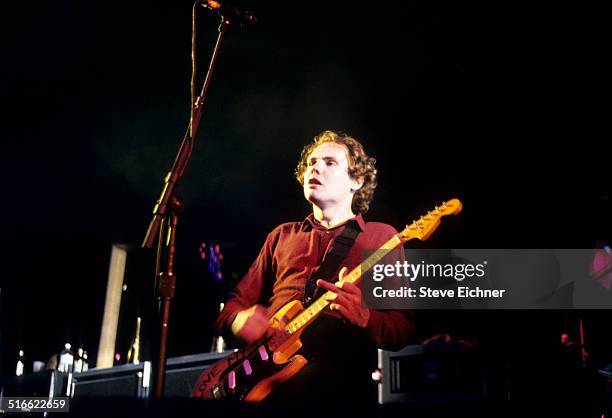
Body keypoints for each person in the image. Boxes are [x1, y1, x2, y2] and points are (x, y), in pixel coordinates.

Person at [213, 130, 415, 402]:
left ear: (356, 180)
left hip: (339, 387)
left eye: (330, 162)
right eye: (311, 162)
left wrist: (364, 317)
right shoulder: (281, 236)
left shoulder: (381, 238)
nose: (316, 167)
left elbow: (402, 328)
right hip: (264, 385)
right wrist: (239, 321)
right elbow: (231, 309)